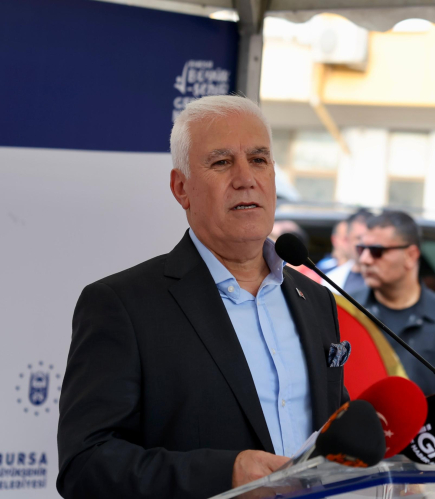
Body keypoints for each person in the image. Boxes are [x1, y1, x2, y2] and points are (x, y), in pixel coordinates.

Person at [56, 96, 348, 499]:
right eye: (222, 162)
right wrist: (225, 475)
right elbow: (85, 465)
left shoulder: (314, 299)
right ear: (182, 188)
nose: (246, 178)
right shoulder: (123, 305)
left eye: (259, 159)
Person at [351, 210, 435, 395]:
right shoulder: (345, 310)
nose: (365, 260)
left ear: (411, 255)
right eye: (361, 249)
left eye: (377, 251)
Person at [324, 209, 371, 295]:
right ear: (347, 240)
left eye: (368, 238)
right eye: (358, 238)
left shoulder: (388, 278)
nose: (364, 244)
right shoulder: (331, 280)